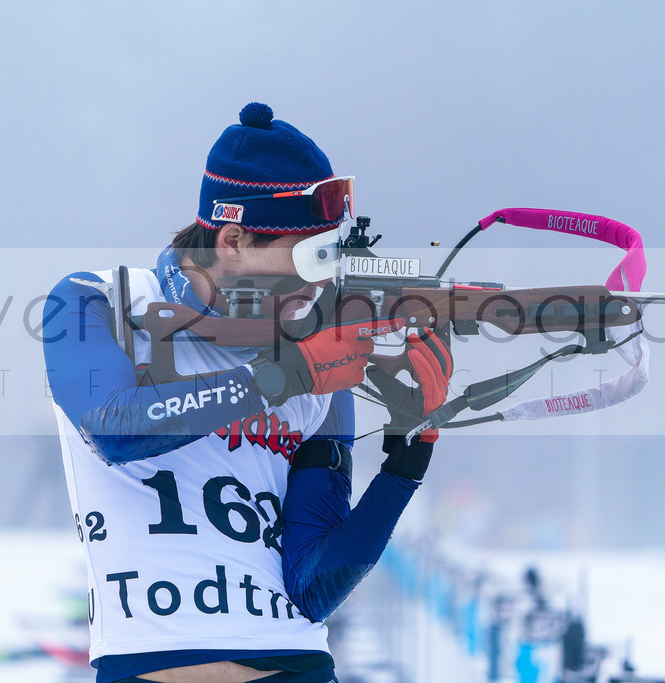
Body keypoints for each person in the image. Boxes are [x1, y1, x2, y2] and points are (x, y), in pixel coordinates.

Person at [43, 102, 452, 683]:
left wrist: (404, 465)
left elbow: (312, 586)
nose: (318, 285)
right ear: (233, 239)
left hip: (294, 664)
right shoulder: (95, 301)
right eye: (307, 257)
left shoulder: (316, 354)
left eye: (331, 256)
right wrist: (284, 376)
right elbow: (113, 427)